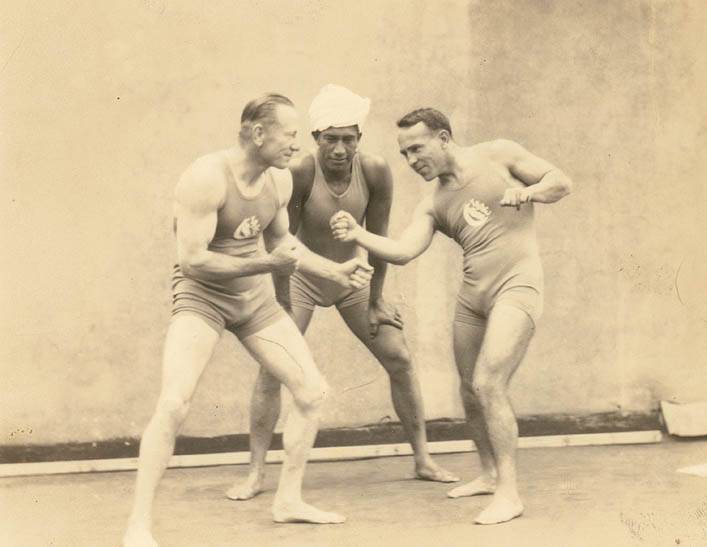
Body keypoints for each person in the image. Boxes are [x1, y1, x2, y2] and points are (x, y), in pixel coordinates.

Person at [123, 93, 374, 547]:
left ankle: (288, 501)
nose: (297, 146)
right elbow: (194, 261)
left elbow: (285, 247)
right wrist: (264, 266)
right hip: (202, 299)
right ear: (259, 133)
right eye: (291, 134)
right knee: (175, 402)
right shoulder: (205, 177)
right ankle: (138, 525)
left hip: (253, 301)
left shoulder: (278, 181)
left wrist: (334, 270)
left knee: (312, 391)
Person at [330, 107, 572, 525]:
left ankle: (509, 493)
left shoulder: (498, 154)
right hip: (473, 297)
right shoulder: (434, 202)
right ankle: (487, 472)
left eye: (417, 148)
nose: (411, 160)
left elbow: (561, 182)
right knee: (468, 388)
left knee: (488, 383)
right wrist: (358, 235)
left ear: (444, 138)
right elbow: (405, 251)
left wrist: (528, 193)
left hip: (517, 286)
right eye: (404, 154)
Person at [227, 86, 457, 502]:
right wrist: (281, 301)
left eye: (348, 138)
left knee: (400, 357)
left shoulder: (374, 171)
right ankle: (256, 472)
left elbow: (379, 237)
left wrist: (376, 299)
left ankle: (423, 458)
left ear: (359, 140)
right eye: (330, 138)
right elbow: (283, 243)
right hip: (300, 276)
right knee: (273, 367)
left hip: (352, 277)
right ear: (315, 139)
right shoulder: (299, 172)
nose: (339, 148)